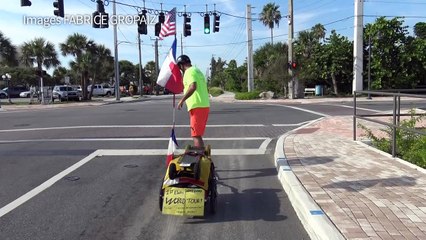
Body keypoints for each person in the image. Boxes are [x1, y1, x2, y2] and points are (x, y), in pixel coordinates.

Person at [176, 55, 210, 148]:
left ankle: (200, 158)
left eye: (179, 67)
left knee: (195, 135)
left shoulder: (189, 72)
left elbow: (193, 86)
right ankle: (201, 156)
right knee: (197, 134)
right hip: (203, 105)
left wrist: (182, 100)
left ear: (181, 65)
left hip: (197, 106)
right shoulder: (197, 70)